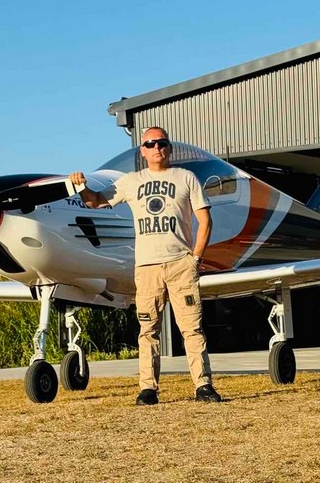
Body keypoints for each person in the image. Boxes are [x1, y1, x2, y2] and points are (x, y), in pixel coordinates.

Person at [69, 126, 222, 405]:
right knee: (147, 330)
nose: (156, 148)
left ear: (169, 147)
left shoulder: (186, 178)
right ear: (143, 151)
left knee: (191, 327)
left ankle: (203, 385)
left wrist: (195, 259)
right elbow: (95, 202)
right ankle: (148, 389)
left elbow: (205, 221)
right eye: (150, 144)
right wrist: (81, 186)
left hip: (180, 264)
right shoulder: (132, 181)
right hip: (147, 268)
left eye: (161, 143)